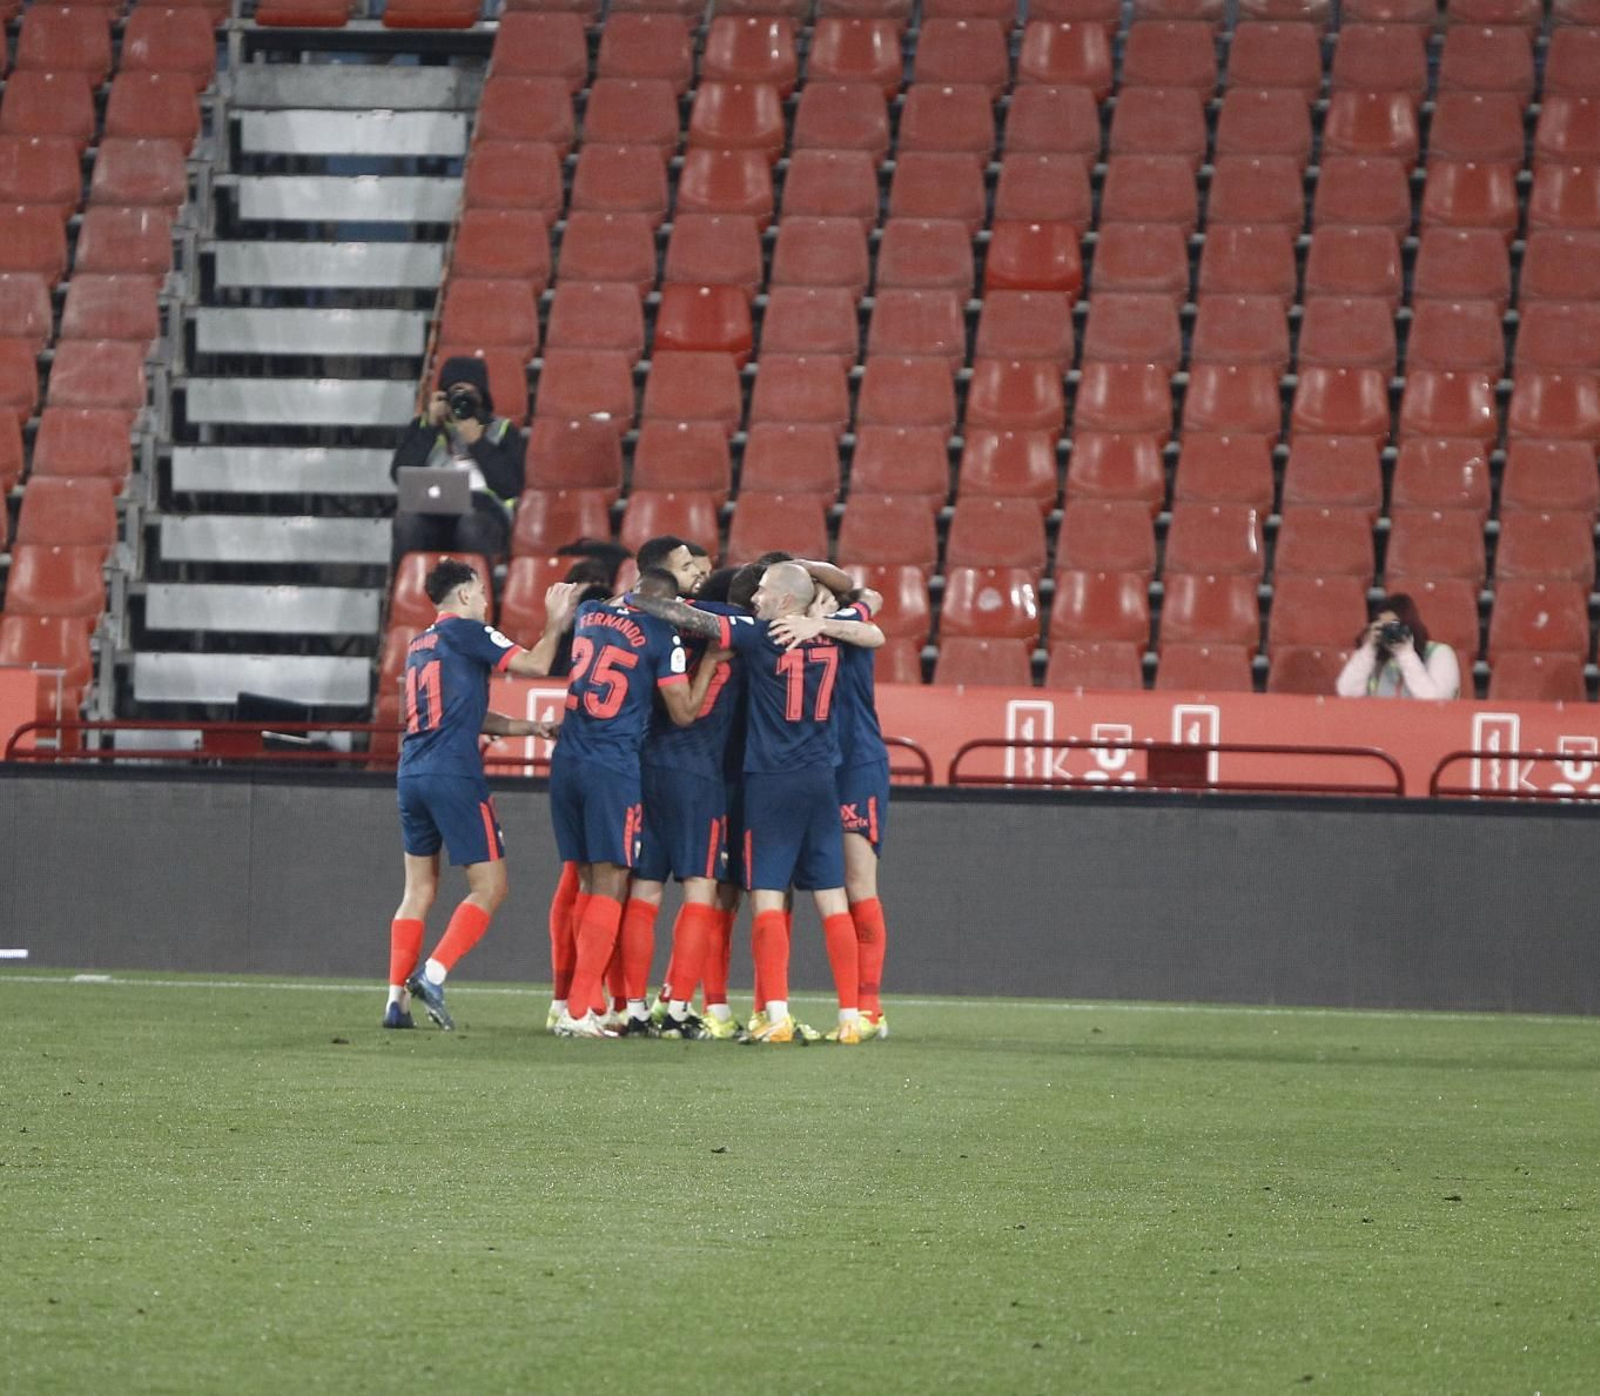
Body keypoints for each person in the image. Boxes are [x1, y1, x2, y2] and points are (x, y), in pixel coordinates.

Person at [632, 560, 885, 1045]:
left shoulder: (759, 634)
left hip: (771, 780)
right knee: (831, 897)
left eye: (765, 590)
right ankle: (852, 1016)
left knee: (767, 894)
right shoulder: (836, 631)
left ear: (787, 601)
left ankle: (776, 1014)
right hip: (822, 779)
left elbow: (691, 620)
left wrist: (639, 598)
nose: (756, 598)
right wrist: (824, 623)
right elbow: (872, 621)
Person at [385, 558, 577, 1031]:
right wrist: (555, 623)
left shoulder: (420, 643)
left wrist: (526, 726)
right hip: (454, 775)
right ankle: (432, 973)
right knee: (490, 887)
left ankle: (395, 1003)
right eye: (484, 593)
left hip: (411, 772)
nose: (488, 602)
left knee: (418, 890)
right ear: (467, 596)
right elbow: (534, 664)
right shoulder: (468, 631)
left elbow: (466, 709)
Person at [547, 576, 729, 1039]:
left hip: (568, 757)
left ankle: (583, 1004)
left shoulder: (590, 615)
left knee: (587, 879)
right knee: (611, 883)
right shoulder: (659, 633)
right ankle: (578, 1009)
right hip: (613, 766)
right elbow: (684, 711)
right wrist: (708, 662)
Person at [773, 576, 893, 1043]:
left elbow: (873, 629)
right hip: (807, 769)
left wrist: (822, 621)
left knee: (858, 882)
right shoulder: (783, 637)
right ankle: (773, 1005)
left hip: (855, 766)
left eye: (822, 601)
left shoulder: (849, 627)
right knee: (780, 881)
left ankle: (869, 1008)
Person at [390, 356, 525, 562]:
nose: (462, 402)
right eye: (456, 394)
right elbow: (399, 475)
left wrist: (478, 443)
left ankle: (474, 592)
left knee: (470, 526)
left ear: (482, 397)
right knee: (407, 523)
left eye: (469, 395)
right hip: (432, 512)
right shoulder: (425, 427)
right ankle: (406, 591)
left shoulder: (502, 430)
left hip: (485, 514)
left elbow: (511, 486)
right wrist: (430, 428)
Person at [1335, 594, 1461, 700]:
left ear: (1409, 626)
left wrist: (1405, 653)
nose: (1389, 632)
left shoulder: (1440, 653)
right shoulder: (1374, 657)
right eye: (1383, 627)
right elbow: (1347, 692)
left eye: (1394, 626)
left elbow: (1434, 699)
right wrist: (1369, 649)